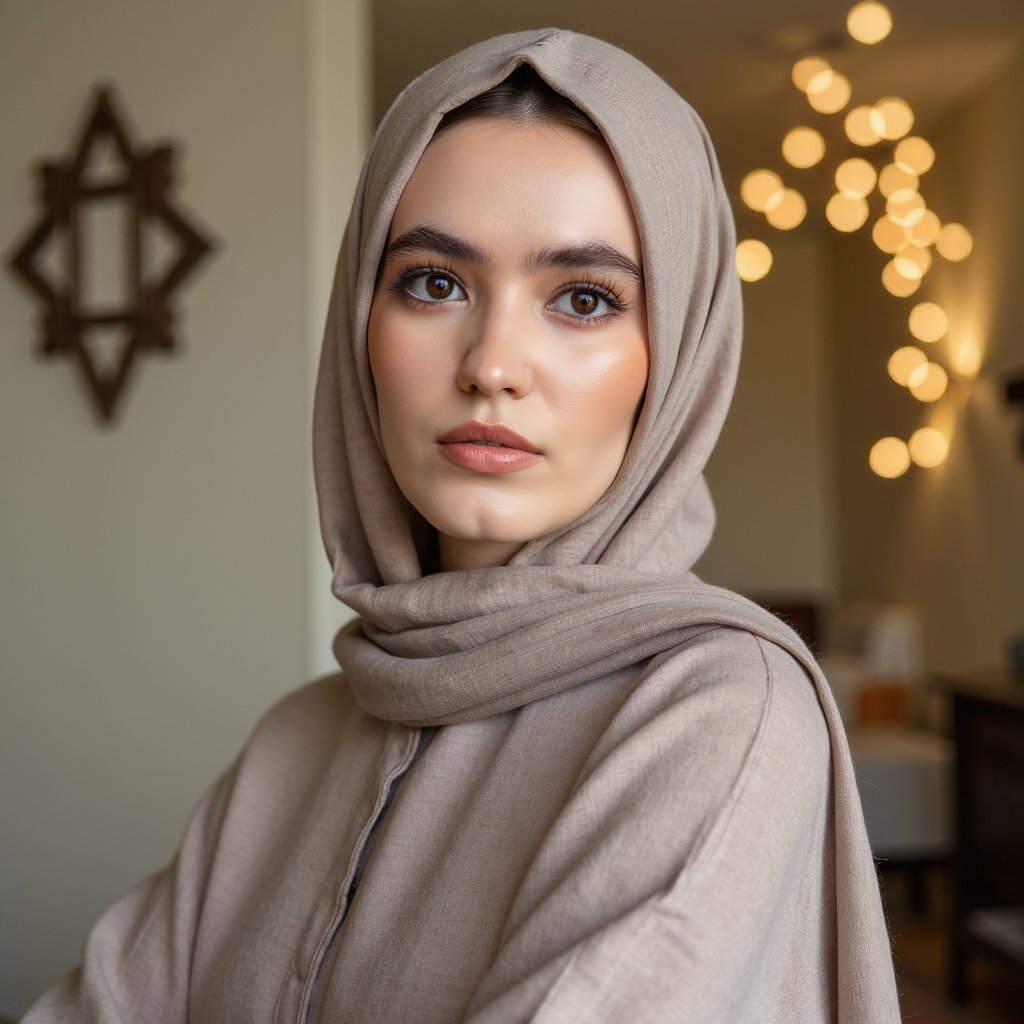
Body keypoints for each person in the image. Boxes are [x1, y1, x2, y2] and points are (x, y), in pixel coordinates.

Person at [24, 29, 900, 1023]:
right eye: (434, 282)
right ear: (360, 326)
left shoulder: (716, 711)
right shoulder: (297, 741)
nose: (491, 361)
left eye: (581, 298)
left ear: (678, 361)